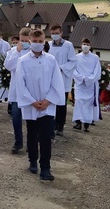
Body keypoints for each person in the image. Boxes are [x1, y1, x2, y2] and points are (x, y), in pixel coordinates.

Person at [12, 29, 66, 180]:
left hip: (47, 105)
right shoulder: (23, 61)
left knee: (46, 136)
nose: (37, 44)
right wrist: (33, 102)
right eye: (35, 42)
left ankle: (46, 168)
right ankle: (33, 161)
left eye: (40, 41)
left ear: (44, 41)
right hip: (31, 104)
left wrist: (48, 101)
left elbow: (57, 82)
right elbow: (20, 85)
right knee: (32, 133)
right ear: (29, 41)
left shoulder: (51, 60)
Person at [4, 27, 32, 154]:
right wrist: (17, 52)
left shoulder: (34, 52)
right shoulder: (13, 51)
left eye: (27, 40)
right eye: (22, 40)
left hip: (31, 90)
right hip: (16, 90)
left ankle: (31, 143)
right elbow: (9, 66)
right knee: (16, 116)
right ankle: (18, 141)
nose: (24, 42)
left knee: (31, 118)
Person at [47, 24, 76, 136]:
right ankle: (52, 124)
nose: (54, 35)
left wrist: (61, 68)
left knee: (62, 103)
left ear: (61, 33)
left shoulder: (68, 45)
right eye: (53, 33)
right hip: (50, 78)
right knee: (51, 101)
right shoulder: (49, 45)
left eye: (56, 33)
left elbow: (73, 61)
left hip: (63, 78)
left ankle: (60, 126)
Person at [72, 38, 101, 132]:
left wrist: (89, 79)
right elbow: (73, 70)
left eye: (87, 44)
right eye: (84, 44)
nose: (85, 46)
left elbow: (97, 71)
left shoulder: (95, 58)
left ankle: (87, 123)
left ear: (90, 46)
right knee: (79, 101)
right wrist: (81, 78)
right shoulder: (76, 57)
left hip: (90, 85)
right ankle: (78, 122)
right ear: (81, 45)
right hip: (80, 84)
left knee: (88, 104)